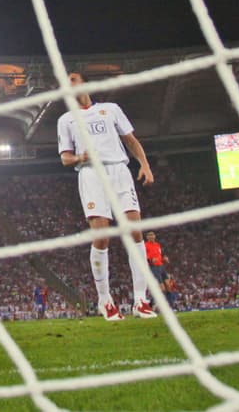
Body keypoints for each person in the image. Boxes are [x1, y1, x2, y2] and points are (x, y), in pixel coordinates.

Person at [57, 72, 156, 321]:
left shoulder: (111, 109)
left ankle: (140, 300)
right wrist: (80, 158)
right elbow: (65, 157)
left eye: (73, 79)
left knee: (135, 231)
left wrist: (144, 164)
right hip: (91, 175)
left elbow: (130, 140)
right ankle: (105, 301)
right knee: (102, 237)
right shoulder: (66, 120)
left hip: (119, 170)